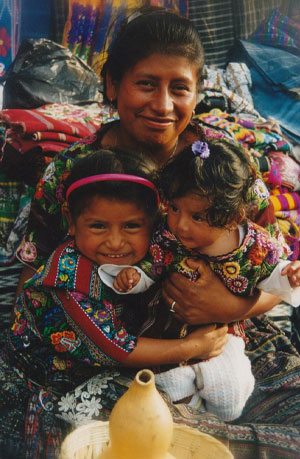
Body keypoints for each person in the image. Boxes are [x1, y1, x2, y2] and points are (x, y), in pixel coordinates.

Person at [8, 6, 300, 458]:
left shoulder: (223, 171)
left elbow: (275, 267)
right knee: (136, 426)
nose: (163, 105)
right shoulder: (75, 173)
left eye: (179, 87)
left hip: (224, 334)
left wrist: (233, 303)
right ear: (111, 84)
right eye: (146, 83)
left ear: (198, 92)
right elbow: (33, 273)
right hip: (106, 346)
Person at [1, 148, 228, 457]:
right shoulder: (66, 282)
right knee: (152, 426)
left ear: (154, 222)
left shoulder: (153, 253)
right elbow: (115, 346)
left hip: (111, 365)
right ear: (71, 220)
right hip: (52, 382)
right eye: (98, 226)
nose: (116, 242)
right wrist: (194, 347)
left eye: (132, 226)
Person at [107, 138, 300, 421]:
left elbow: (272, 276)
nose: (181, 224)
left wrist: (290, 276)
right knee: (170, 387)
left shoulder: (255, 247)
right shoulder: (168, 237)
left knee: (230, 390)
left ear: (232, 217)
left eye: (197, 216)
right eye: (174, 209)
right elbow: (152, 265)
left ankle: (219, 423)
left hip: (223, 335)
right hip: (166, 330)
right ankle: (192, 417)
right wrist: (134, 277)